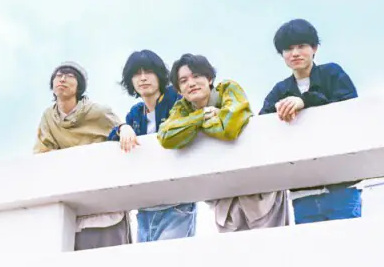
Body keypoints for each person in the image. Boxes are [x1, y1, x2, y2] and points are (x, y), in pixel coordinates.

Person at [158, 53, 289, 233]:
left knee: (272, 245)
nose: (191, 83)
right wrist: (202, 116)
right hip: (224, 199)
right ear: (179, 90)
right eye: (184, 80)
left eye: (197, 76)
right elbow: (166, 136)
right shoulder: (182, 108)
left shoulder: (228, 89)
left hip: (259, 194)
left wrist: (193, 126)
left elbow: (229, 128)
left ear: (209, 78)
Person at [259, 19, 359, 225]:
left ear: (314, 48)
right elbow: (262, 126)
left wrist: (304, 101)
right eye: (288, 49)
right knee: (311, 244)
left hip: (341, 184)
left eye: (301, 46)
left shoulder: (332, 73)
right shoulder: (279, 90)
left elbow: (350, 108)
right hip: (302, 189)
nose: (295, 53)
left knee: (347, 240)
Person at [34, 61, 132, 250]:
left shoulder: (98, 112)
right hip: (73, 203)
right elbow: (42, 152)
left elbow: (120, 129)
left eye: (69, 75)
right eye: (58, 75)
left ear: (79, 85)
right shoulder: (48, 117)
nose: (62, 79)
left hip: (106, 202)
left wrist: (125, 128)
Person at [108, 50, 197, 242]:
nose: (142, 78)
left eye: (148, 71)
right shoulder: (136, 113)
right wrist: (123, 128)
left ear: (159, 75)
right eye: (136, 74)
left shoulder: (177, 99)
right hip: (146, 207)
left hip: (177, 203)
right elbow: (111, 140)